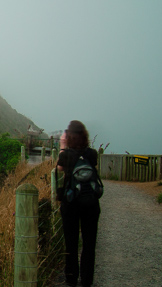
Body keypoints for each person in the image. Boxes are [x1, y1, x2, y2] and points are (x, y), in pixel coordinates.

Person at [57, 120, 100, 287]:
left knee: (71, 242)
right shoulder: (92, 154)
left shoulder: (66, 155)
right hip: (91, 203)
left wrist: (62, 145)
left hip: (71, 203)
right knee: (89, 244)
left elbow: (60, 168)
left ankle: (71, 278)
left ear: (69, 136)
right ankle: (87, 280)